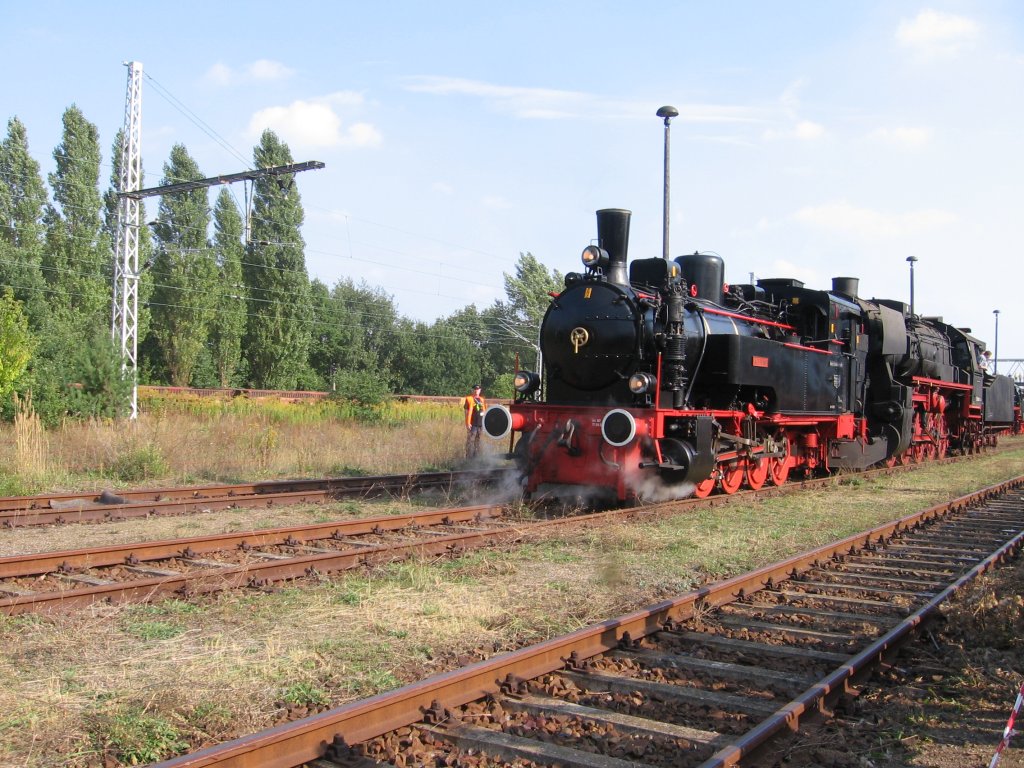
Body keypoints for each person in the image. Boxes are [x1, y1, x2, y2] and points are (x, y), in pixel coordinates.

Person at [463, 384, 486, 458]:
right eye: (475, 389)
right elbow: (466, 412)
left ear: (480, 390)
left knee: (478, 441)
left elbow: (484, 411)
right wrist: (467, 423)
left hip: (480, 424)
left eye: (478, 389)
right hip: (472, 424)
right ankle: (468, 458)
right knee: (470, 441)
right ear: (472, 390)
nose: (476, 391)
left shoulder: (482, 400)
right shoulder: (469, 399)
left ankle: (476, 458)